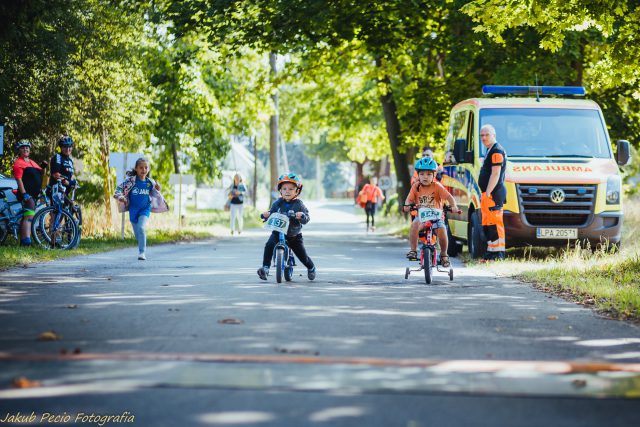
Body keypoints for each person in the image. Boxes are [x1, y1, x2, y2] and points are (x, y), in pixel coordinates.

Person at [257, 173, 316, 281]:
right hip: (278, 232)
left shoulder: (299, 204)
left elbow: (306, 217)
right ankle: (265, 268)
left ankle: (311, 267)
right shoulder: (277, 203)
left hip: (294, 235)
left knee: (302, 256)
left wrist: (301, 216)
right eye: (284, 189)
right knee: (269, 245)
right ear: (280, 191)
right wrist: (267, 214)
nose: (287, 191)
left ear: (297, 191)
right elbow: (272, 212)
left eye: (291, 189)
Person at [403, 157, 460, 268]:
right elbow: (409, 199)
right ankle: (413, 251)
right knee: (414, 225)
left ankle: (444, 255)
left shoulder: (437, 186)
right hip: (422, 217)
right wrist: (406, 206)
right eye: (422, 174)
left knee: (442, 230)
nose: (425, 177)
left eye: (429, 174)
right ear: (418, 175)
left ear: (434, 175)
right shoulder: (416, 186)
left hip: (436, 217)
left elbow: (449, 197)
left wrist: (454, 206)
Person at [114, 157, 169, 260]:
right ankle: (141, 244)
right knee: (137, 234)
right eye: (141, 168)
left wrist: (158, 189)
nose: (143, 170)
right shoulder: (131, 181)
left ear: (148, 169)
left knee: (141, 228)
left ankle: (142, 252)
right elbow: (119, 189)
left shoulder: (150, 182)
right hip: (133, 210)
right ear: (136, 168)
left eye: (146, 168)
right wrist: (120, 197)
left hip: (145, 209)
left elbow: (156, 194)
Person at [479, 124, 507, 261]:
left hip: (493, 194)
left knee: (495, 224)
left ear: (494, 135)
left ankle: (498, 254)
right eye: (481, 135)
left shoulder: (497, 151)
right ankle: (491, 253)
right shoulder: (489, 150)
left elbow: (495, 174)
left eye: (486, 135)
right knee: (488, 224)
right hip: (487, 194)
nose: (483, 138)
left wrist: (488, 192)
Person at [12, 140, 44, 246]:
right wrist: (24, 194)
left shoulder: (31, 162)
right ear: (19, 150)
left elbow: (39, 173)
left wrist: (43, 167)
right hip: (26, 193)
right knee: (29, 217)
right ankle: (26, 241)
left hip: (34, 193)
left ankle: (24, 240)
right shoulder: (18, 163)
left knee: (27, 215)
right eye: (23, 147)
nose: (26, 149)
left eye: (27, 147)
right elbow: (19, 180)